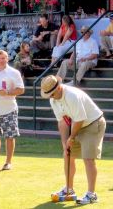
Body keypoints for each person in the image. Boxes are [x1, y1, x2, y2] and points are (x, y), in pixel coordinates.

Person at [41, 75, 106, 204]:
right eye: (49, 95)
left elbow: (80, 119)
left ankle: (91, 194)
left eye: (52, 94)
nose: (51, 97)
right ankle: (68, 189)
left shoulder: (72, 96)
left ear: (59, 87)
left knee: (88, 158)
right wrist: (65, 143)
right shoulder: (53, 99)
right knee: (67, 155)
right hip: (77, 125)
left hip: (93, 124)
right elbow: (62, 122)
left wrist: (72, 137)